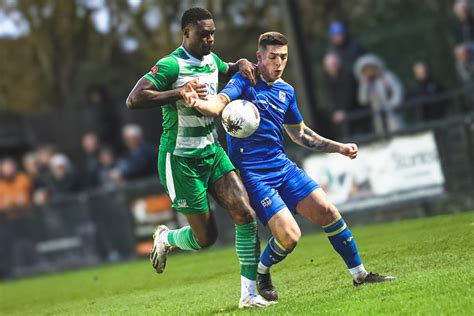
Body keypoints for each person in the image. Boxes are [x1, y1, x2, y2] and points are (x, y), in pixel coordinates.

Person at [181, 31, 395, 301]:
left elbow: (300, 134)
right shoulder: (244, 81)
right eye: (272, 57)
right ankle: (262, 271)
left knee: (328, 211)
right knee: (290, 237)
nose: (279, 63)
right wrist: (198, 102)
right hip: (252, 175)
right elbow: (219, 103)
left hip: (282, 167)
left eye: (283, 57)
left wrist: (338, 147)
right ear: (259, 57)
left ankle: (360, 274)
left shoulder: (286, 91)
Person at [126, 7, 272, 308]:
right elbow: (134, 99)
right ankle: (166, 239)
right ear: (186, 33)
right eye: (204, 33)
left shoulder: (210, 60)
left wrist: (241, 63)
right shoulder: (169, 65)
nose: (210, 38)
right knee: (206, 238)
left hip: (212, 151)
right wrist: (178, 93)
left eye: (213, 33)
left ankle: (249, 296)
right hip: (179, 159)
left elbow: (226, 66)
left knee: (245, 214)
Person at [354, 54, 405, 136]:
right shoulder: (365, 84)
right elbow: (363, 100)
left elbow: (397, 90)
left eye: (370, 68)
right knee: (382, 136)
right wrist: (364, 85)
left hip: (391, 112)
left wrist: (393, 104)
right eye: (365, 70)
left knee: (397, 134)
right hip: (378, 116)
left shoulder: (386, 77)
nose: (368, 71)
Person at [321, 52, 366, 138]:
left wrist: (343, 110)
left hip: (354, 113)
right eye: (329, 66)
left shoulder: (348, 76)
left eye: (334, 64)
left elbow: (350, 95)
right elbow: (329, 98)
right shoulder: (327, 80)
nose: (332, 68)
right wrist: (334, 111)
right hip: (338, 117)